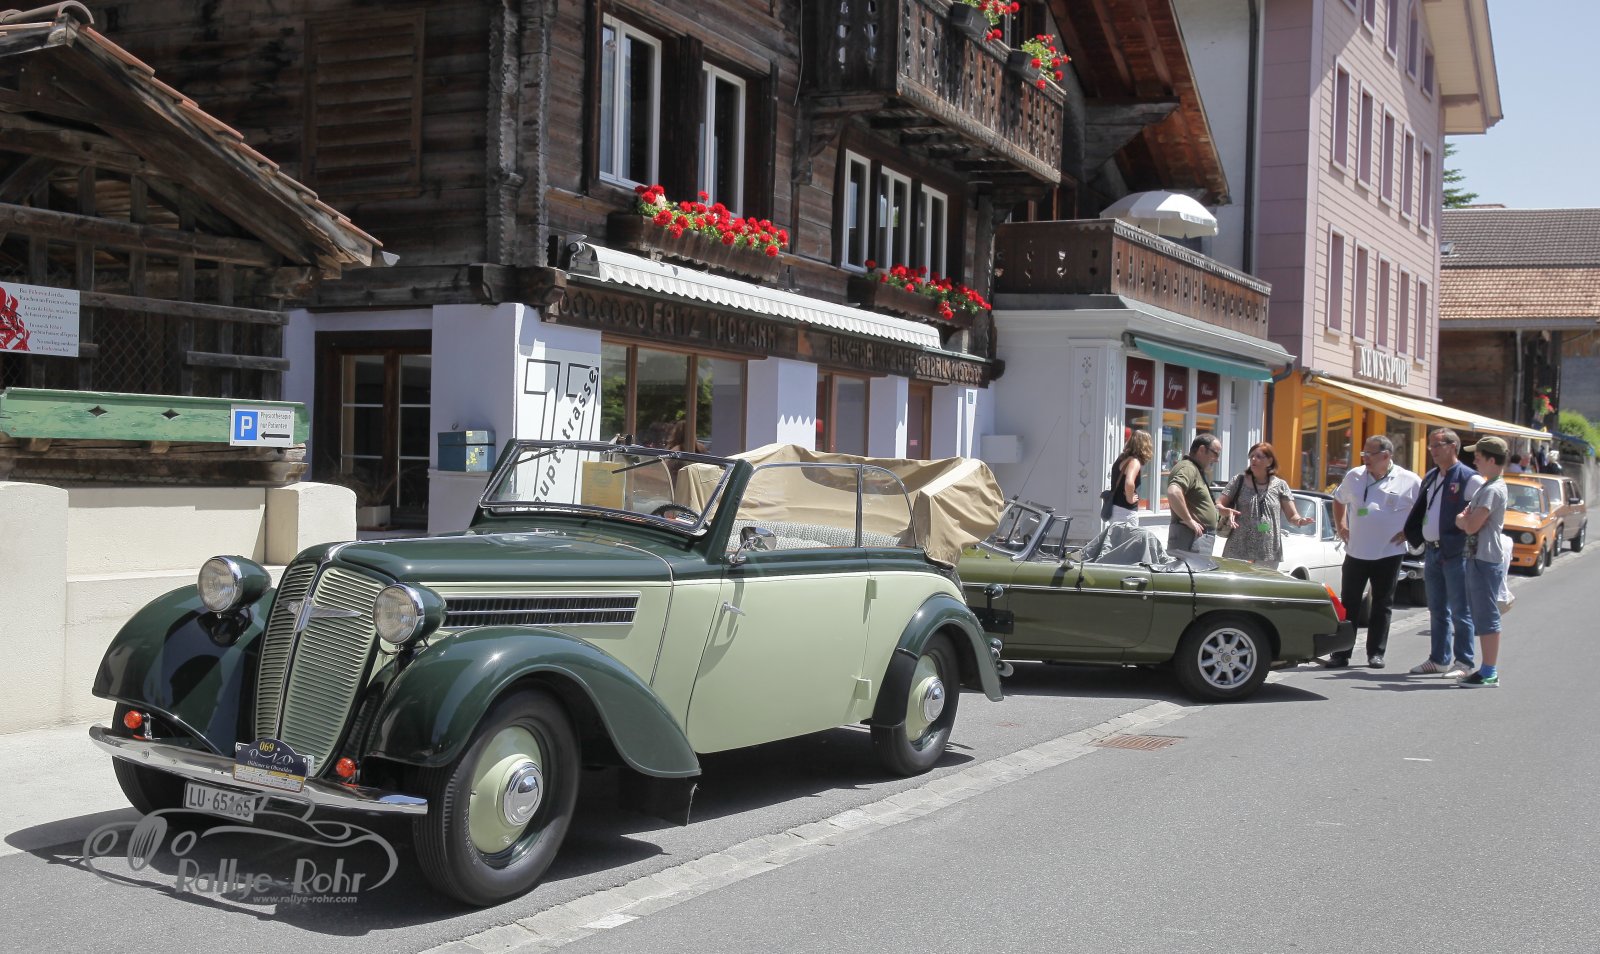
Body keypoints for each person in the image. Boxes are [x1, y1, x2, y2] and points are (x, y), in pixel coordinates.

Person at [1323, 434, 1422, 669]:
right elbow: (1339, 500)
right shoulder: (1355, 476)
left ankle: (1376, 653)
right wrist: (1341, 525)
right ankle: (1341, 653)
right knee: (1349, 603)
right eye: (1363, 453)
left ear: (1386, 456)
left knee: (1382, 603)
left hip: (1389, 552)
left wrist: (1409, 531)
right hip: (1356, 551)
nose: (1365, 458)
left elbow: (1423, 509)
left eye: (1370, 454)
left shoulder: (1409, 480)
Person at [1403, 428, 1484, 677]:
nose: (1432, 450)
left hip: (1456, 552)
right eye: (1431, 445)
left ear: (1453, 447)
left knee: (1460, 610)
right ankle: (1439, 659)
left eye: (1437, 445)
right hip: (1432, 551)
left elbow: (1482, 515)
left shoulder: (1470, 478)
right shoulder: (1432, 476)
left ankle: (1464, 663)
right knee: (1437, 609)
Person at [1455, 436, 1509, 687]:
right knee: (1481, 615)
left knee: (1487, 616)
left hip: (1485, 559)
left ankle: (1489, 672)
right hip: (1479, 557)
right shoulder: (1488, 486)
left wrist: (1464, 520)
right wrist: (1464, 519)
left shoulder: (1492, 490)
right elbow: (1464, 519)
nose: (1474, 461)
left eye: (1478, 457)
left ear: (1492, 460)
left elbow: (1470, 525)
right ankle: (1486, 669)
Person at [1216, 442, 1311, 568]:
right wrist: (1225, 511)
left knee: (1264, 581)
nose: (1253, 459)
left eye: (1259, 457)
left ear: (1269, 461)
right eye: (1251, 456)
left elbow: (1292, 515)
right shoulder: (1238, 480)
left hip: (1268, 551)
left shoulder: (1280, 485)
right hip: (1238, 548)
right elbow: (1218, 504)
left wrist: (1300, 521)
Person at [1167, 433, 1222, 555]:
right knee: (1187, 568)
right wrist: (1188, 520)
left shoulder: (1194, 469)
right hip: (1190, 538)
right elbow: (1173, 492)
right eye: (1215, 454)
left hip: (1194, 539)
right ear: (1202, 450)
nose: (1217, 460)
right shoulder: (1188, 468)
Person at [1108, 430, 1153, 523]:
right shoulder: (1134, 462)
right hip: (1126, 511)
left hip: (1115, 508)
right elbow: (1129, 482)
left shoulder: (1122, 458)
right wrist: (1130, 498)